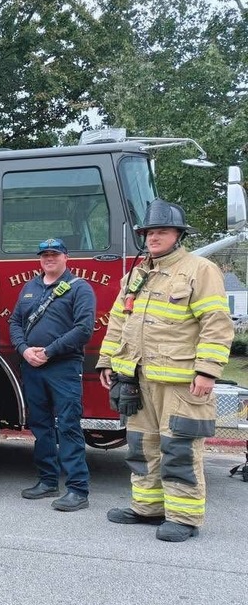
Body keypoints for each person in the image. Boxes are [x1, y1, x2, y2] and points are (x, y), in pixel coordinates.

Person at [97, 199, 234, 542]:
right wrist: (108, 361)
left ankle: (184, 518)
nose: (154, 237)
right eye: (149, 232)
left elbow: (216, 324)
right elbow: (118, 321)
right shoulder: (136, 274)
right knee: (142, 446)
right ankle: (147, 508)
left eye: (162, 231)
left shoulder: (199, 270)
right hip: (139, 378)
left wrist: (207, 371)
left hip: (181, 381)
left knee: (180, 448)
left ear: (178, 235)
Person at [10, 238, 96, 512]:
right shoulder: (30, 288)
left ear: (66, 257)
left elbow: (84, 329)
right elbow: (14, 322)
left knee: (68, 426)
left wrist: (48, 351)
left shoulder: (79, 288)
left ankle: (78, 489)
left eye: (54, 254)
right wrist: (24, 350)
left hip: (63, 367)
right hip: (32, 368)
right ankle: (48, 481)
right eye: (44, 255)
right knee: (41, 426)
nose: (49, 259)